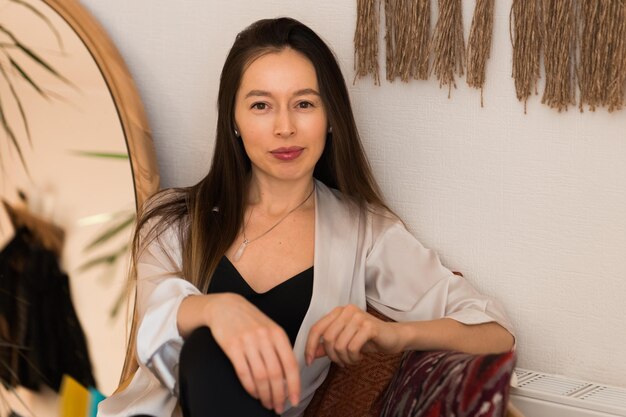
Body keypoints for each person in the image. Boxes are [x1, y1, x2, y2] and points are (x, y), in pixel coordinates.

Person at [98, 17, 515, 417]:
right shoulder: (173, 220)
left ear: (330, 117)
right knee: (207, 347)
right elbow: (150, 321)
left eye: (304, 104)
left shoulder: (364, 232)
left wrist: (395, 335)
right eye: (261, 105)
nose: (285, 127)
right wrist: (215, 311)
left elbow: (495, 332)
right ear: (234, 121)